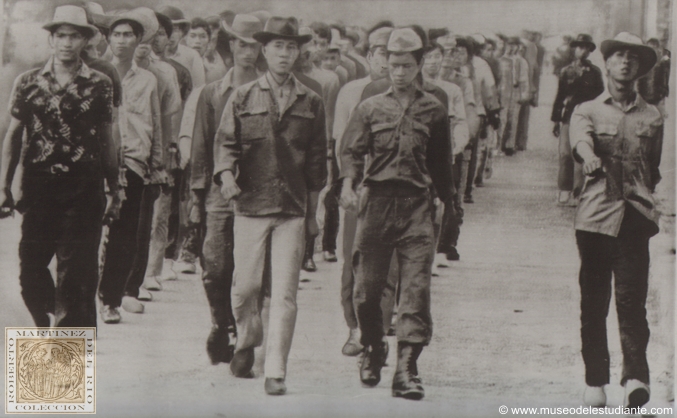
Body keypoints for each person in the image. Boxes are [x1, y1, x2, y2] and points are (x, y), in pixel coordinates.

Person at [214, 16, 326, 396]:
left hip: (292, 209)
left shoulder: (311, 101)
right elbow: (226, 144)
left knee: (285, 294)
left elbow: (316, 164)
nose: (284, 53)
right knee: (245, 289)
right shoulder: (243, 96)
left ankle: (276, 369)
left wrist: (313, 215)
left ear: (298, 52)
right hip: (250, 204)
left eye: (291, 46)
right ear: (264, 50)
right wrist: (226, 176)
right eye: (277, 46)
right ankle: (247, 340)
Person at [340, 28, 453, 400]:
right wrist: (348, 184)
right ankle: (373, 347)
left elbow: (441, 162)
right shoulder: (370, 106)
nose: (399, 72)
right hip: (377, 204)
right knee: (367, 291)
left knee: (416, 290)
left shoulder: (434, 108)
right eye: (393, 65)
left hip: (417, 205)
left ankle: (407, 368)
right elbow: (351, 151)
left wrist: (449, 203)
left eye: (406, 65)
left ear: (419, 64)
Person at [0, 5, 119, 327]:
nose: (67, 43)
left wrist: (115, 190)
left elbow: (108, 139)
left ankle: (64, 364)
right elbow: (14, 135)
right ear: (51, 40)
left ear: (85, 41)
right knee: (30, 270)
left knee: (74, 274)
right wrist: (4, 187)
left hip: (84, 187)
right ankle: (44, 319)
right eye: (61, 36)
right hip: (38, 188)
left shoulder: (99, 84)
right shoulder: (28, 82)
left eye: (74, 36)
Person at [569, 32, 662, 409]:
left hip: (635, 219)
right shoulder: (587, 110)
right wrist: (588, 157)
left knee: (631, 301)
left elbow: (652, 167)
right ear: (607, 63)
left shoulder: (652, 116)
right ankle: (595, 381)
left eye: (633, 58)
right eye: (619, 56)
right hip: (594, 219)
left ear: (640, 68)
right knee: (594, 303)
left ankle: (636, 378)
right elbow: (581, 140)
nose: (625, 62)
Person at [187, 14, 263, 366]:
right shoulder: (212, 93)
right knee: (215, 266)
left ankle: (244, 339)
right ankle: (221, 323)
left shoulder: (270, 89)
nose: (248, 51)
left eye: (254, 44)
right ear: (231, 45)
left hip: (260, 192)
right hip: (220, 190)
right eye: (241, 43)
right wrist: (196, 198)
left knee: (252, 270)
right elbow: (201, 148)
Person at [331, 24, 400, 356]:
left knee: (390, 265)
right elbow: (341, 144)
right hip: (359, 190)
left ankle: (379, 333)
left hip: (396, 194)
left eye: (396, 53)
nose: (388, 61)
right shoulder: (352, 91)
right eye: (382, 52)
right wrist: (347, 184)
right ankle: (354, 327)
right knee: (353, 262)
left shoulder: (413, 94)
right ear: (370, 54)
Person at [98, 8, 165, 323]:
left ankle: (111, 299)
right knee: (89, 232)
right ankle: (81, 296)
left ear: (139, 40)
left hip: (134, 165)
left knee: (124, 236)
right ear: (108, 39)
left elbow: (155, 123)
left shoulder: (149, 80)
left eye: (129, 35)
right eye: (117, 34)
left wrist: (157, 165)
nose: (122, 41)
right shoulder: (95, 75)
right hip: (96, 163)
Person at [133, 10, 183, 295]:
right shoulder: (108, 68)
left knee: (157, 214)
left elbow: (169, 115)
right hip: (124, 151)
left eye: (151, 36)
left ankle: (150, 272)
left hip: (157, 149)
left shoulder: (165, 72)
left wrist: (167, 152)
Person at [551, 34, 604, 206]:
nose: (582, 50)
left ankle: (578, 192)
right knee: (565, 154)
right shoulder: (566, 71)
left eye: (585, 47)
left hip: (588, 118)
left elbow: (601, 96)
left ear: (589, 51)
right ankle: (564, 190)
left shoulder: (595, 73)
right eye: (579, 47)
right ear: (574, 49)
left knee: (581, 154)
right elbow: (560, 96)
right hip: (569, 116)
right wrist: (556, 120)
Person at [159, 5, 206, 88]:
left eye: (175, 30)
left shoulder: (192, 56)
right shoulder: (148, 55)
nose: (170, 35)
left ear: (182, 32)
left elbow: (198, 89)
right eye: (165, 30)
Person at [638, 38, 670, 114]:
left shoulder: (663, 65)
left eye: (654, 49)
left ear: (658, 50)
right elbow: (640, 84)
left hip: (659, 99)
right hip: (645, 100)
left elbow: (665, 82)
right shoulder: (643, 66)